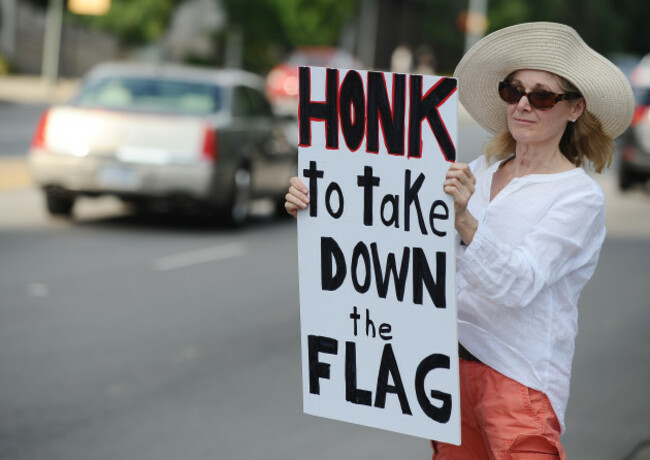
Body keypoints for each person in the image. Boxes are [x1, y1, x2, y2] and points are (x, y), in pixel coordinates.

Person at [285, 22, 634, 460]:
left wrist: (465, 219)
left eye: (542, 96)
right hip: (444, 373)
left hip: (517, 379)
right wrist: (319, 201)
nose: (524, 105)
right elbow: (393, 229)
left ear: (574, 108)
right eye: (514, 91)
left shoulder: (578, 197)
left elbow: (519, 284)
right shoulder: (478, 174)